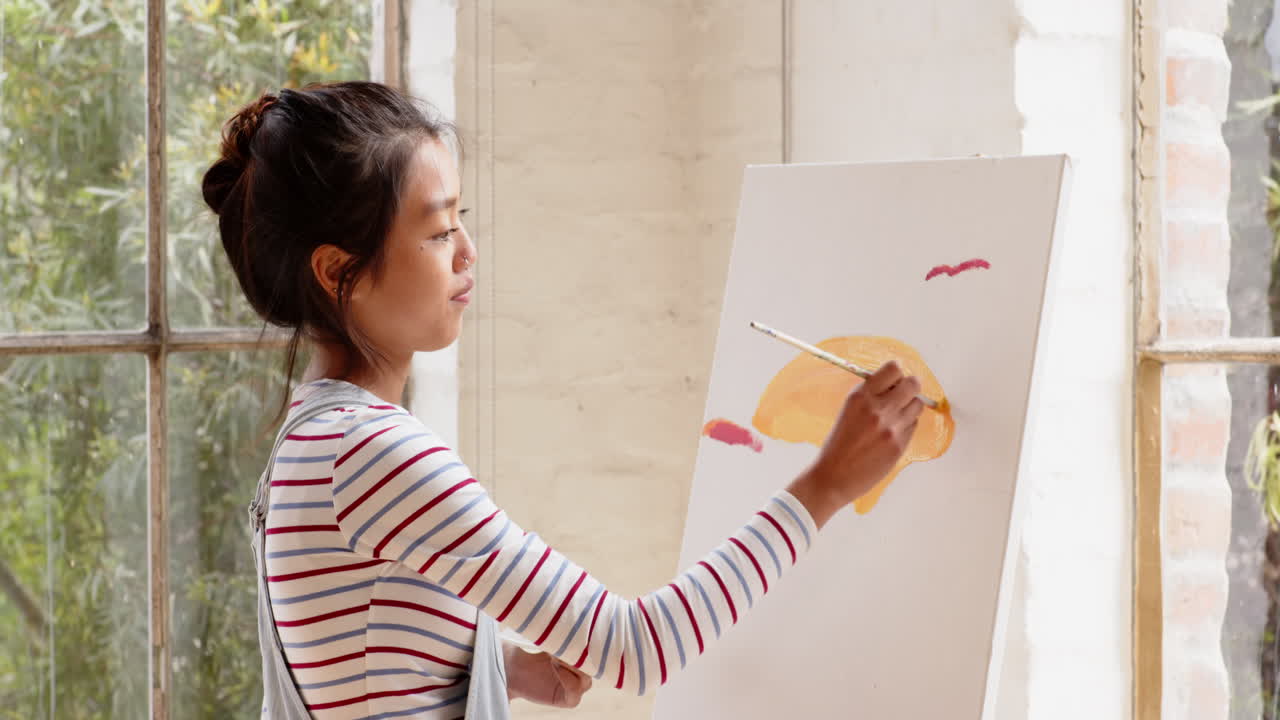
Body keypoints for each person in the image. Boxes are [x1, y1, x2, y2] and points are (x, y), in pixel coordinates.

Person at [203, 81, 925, 719]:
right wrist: (827, 484)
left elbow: (350, 664)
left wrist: (503, 669)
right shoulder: (372, 453)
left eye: (461, 219)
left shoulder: (314, 437)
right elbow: (638, 647)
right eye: (439, 230)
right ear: (339, 272)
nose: (468, 250)